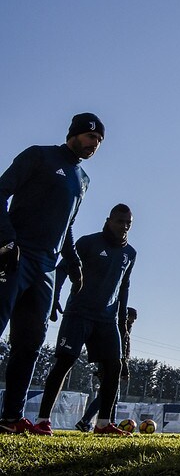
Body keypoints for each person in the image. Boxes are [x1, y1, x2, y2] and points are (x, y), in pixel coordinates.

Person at [0, 113, 103, 434]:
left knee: (29, 343)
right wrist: (5, 239)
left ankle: (11, 418)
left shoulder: (83, 179)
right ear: (74, 134)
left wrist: (73, 264)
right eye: (90, 137)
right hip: (16, 257)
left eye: (99, 141)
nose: (94, 144)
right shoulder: (39, 155)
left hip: (46, 269)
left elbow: (67, 226)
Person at [32, 204, 135, 435]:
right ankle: (42, 420)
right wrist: (54, 296)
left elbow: (124, 288)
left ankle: (103, 424)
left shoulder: (130, 254)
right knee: (64, 362)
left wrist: (121, 323)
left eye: (129, 223)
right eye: (120, 221)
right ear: (109, 220)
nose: (125, 226)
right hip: (79, 314)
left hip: (106, 320)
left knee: (114, 367)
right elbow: (62, 268)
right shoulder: (88, 243)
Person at [74, 306, 137, 432]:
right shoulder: (121, 329)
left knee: (109, 395)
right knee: (108, 395)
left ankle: (102, 421)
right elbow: (122, 351)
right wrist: (124, 370)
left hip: (106, 363)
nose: (134, 321)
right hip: (111, 364)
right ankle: (91, 421)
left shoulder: (121, 328)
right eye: (133, 318)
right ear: (127, 317)